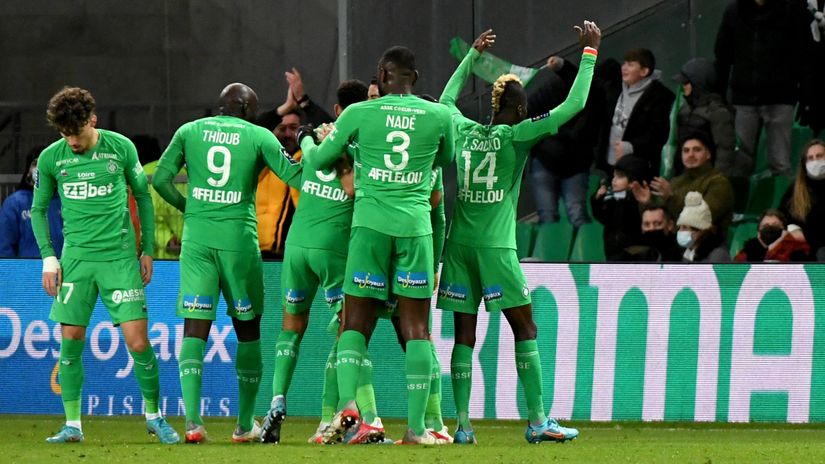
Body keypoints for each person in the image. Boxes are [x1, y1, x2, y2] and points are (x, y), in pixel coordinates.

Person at [437, 24, 599, 444]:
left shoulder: (465, 130)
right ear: (522, 110)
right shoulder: (518, 136)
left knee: (464, 338)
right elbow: (574, 104)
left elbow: (446, 101)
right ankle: (537, 421)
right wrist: (589, 54)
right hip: (496, 249)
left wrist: (471, 56)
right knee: (525, 330)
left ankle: (463, 427)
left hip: (457, 248)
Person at [302, 45, 454, 445]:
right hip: (416, 228)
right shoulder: (439, 115)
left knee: (355, 324)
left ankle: (349, 406)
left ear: (381, 76)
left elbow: (320, 161)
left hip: (369, 227)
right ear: (414, 79)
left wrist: (309, 143)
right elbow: (445, 158)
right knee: (417, 328)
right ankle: (420, 428)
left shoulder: (357, 113)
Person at [152, 83, 303, 443]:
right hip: (239, 242)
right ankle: (243, 424)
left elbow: (160, 178)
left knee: (194, 328)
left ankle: (192, 422)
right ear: (249, 109)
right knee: (248, 329)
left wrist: (189, 207)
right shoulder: (258, 135)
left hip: (197, 242)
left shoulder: (189, 131)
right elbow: (295, 176)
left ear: (220, 106)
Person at [31, 87, 178, 444]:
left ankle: (154, 417)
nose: (72, 141)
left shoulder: (120, 148)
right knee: (70, 340)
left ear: (92, 121)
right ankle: (73, 425)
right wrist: (49, 258)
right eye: (64, 134)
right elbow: (38, 210)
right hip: (76, 261)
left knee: (138, 341)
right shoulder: (53, 159)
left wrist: (146, 250)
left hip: (119, 259)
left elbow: (142, 196)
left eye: (76, 133)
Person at [260, 79, 364, 444]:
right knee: (347, 331)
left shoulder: (314, 146)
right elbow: (352, 190)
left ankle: (276, 401)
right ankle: (327, 417)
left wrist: (301, 139)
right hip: (332, 250)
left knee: (290, 329)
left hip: (296, 248)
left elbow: (289, 171)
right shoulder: (356, 150)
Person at [715, 0, 811, 176]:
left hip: (781, 97)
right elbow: (722, 55)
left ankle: (785, 202)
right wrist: (719, 96)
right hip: (743, 98)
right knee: (739, 163)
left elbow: (803, 54)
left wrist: (803, 92)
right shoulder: (734, 12)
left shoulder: (792, 11)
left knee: (781, 163)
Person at [527, 53, 606, 227]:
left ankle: (582, 253)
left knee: (572, 212)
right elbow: (526, 111)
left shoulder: (595, 92)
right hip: (549, 159)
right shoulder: (553, 89)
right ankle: (553, 254)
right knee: (556, 213)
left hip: (571, 163)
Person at [632, 132, 735, 237]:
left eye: (697, 150)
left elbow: (702, 218)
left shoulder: (719, 183)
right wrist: (648, 201)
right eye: (686, 151)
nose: (690, 154)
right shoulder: (677, 181)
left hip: (708, 244)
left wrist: (671, 198)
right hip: (675, 241)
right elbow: (663, 212)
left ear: (708, 154)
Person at [597, 47, 674, 178]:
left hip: (636, 169)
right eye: (625, 63)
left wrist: (631, 146)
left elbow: (658, 135)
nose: (624, 68)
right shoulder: (616, 87)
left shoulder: (659, 97)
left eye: (630, 65)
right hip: (609, 164)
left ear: (644, 71)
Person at [673, 58, 738, 177]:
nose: (682, 87)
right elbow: (679, 147)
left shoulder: (718, 113)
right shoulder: (684, 110)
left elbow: (725, 150)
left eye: (686, 83)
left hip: (708, 178)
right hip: (684, 176)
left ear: (697, 84)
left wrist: (716, 180)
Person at [0, 146, 63, 257]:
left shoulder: (66, 201)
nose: (41, 168)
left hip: (64, 269)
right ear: (28, 171)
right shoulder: (15, 203)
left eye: (46, 163)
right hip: (26, 271)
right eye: (36, 163)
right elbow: (4, 246)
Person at [257, 110, 302, 259]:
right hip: (260, 249)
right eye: (282, 129)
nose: (287, 134)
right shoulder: (265, 161)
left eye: (293, 128)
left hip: (295, 251)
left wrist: (304, 102)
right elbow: (252, 128)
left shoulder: (311, 158)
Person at [590, 155, 646, 260]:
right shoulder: (612, 198)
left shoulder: (638, 202)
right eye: (614, 176)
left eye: (620, 177)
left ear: (632, 181)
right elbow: (603, 218)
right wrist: (597, 199)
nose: (614, 180)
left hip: (633, 255)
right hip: (612, 250)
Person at [779, 139, 825, 260]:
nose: (815, 161)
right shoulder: (796, 189)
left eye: (819, 156)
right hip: (803, 250)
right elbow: (781, 218)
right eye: (810, 158)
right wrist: (793, 229)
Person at [734, 208, 810, 261]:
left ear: (785, 231)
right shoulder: (747, 252)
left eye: (775, 226)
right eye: (765, 226)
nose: (770, 229)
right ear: (758, 232)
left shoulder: (797, 251)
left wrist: (774, 248)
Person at [676, 191, 731, 262]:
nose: (680, 232)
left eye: (685, 227)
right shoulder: (687, 253)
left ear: (701, 231)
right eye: (679, 227)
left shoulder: (717, 256)